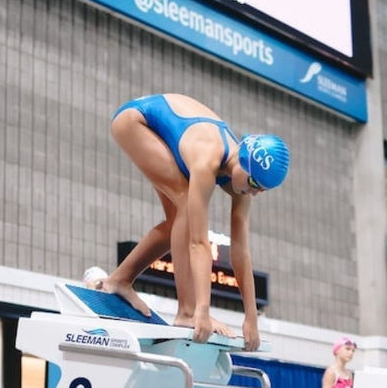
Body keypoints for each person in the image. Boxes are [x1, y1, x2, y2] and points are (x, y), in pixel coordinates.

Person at [95, 93, 288, 349]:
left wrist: (251, 318)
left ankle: (119, 280)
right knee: (185, 208)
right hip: (136, 122)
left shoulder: (244, 176)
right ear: (243, 162)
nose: (255, 192)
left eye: (262, 190)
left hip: (171, 137)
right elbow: (198, 243)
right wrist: (202, 310)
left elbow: (241, 252)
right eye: (254, 184)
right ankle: (186, 312)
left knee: (177, 219)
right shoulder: (207, 159)